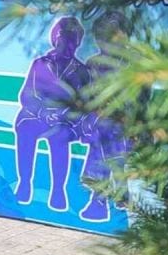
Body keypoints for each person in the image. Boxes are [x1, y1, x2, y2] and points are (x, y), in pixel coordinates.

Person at [14, 16, 90, 211]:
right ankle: (24, 183)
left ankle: (58, 191)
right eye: (65, 39)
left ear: (78, 43)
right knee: (25, 128)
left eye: (74, 40)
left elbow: (85, 103)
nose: (69, 45)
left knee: (60, 135)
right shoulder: (40, 64)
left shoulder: (81, 71)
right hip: (38, 116)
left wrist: (63, 114)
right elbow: (27, 94)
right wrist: (42, 112)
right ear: (56, 38)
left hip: (66, 121)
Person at [77, 11, 131, 221]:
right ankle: (116, 192)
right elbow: (85, 94)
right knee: (102, 132)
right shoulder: (93, 63)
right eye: (102, 36)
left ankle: (99, 200)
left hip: (124, 123)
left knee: (107, 134)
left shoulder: (131, 64)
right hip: (97, 120)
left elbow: (138, 98)